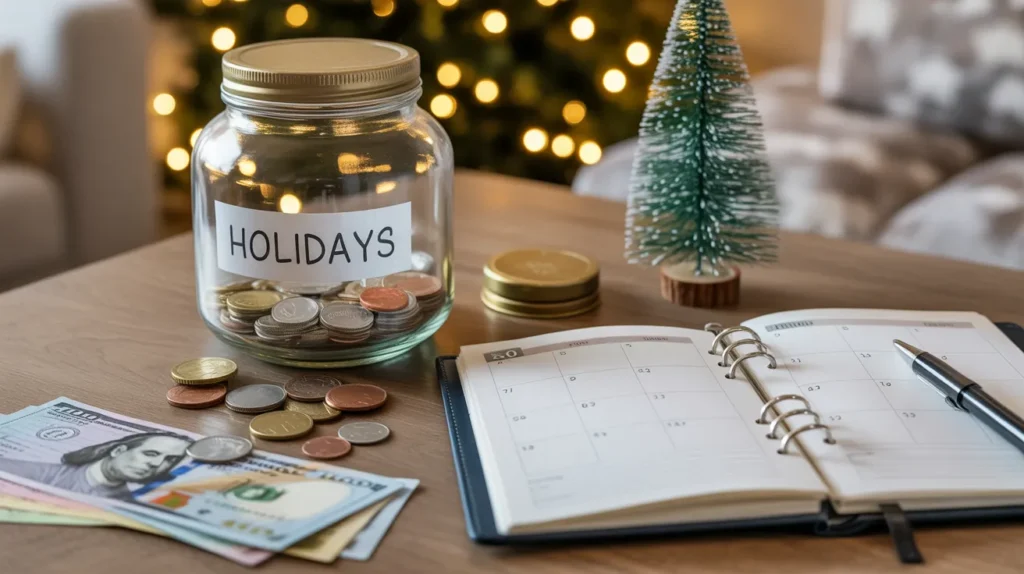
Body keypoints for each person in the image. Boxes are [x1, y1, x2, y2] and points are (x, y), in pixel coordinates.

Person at [0, 432, 193, 500]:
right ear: (118, 451)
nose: (157, 464)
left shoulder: (125, 503)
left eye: (170, 460)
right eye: (151, 454)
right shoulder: (20, 470)